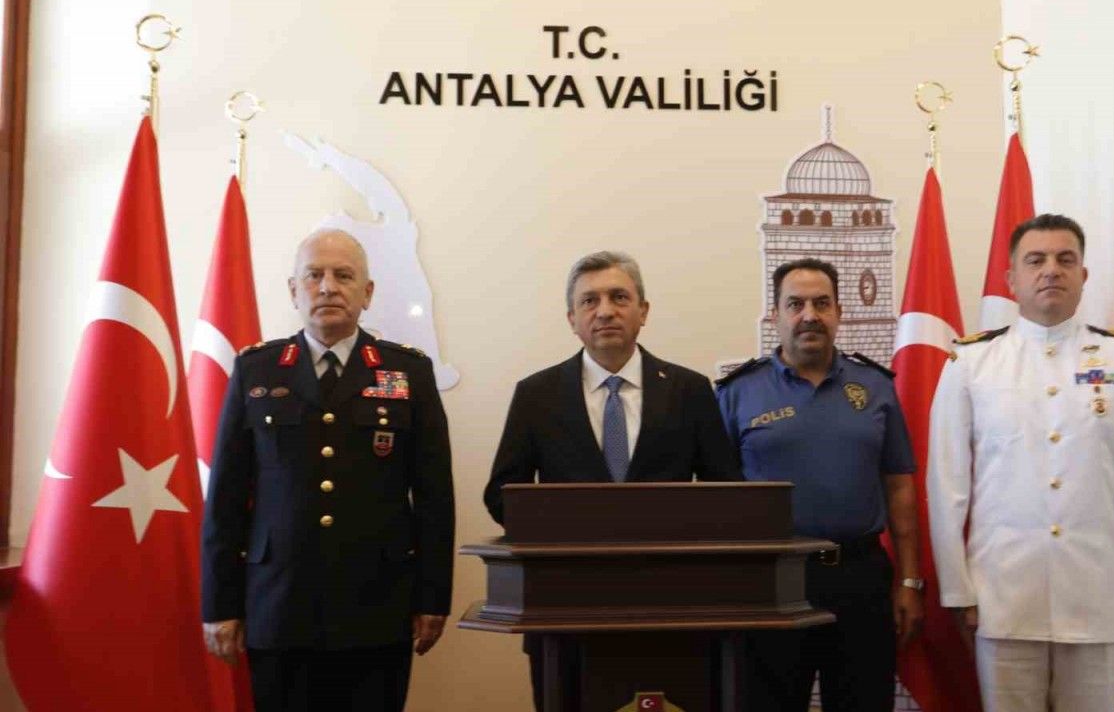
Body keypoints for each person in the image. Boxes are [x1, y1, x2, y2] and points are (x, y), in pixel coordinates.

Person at [927, 213, 1114, 712]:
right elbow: (946, 486)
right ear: (1011, 279)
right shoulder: (971, 364)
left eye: (1066, 259)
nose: (1051, 270)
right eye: (1035, 260)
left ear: (1084, 274)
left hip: (1097, 595)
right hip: (1002, 595)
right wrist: (958, 590)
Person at [201, 229, 455, 712]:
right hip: (277, 604)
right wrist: (220, 604)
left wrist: (432, 598)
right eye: (313, 275)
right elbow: (225, 500)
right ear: (293, 290)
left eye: (344, 275)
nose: (328, 287)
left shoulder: (408, 372)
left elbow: (434, 498)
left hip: (377, 605)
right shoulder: (257, 369)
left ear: (367, 292)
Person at [484, 250, 741, 709]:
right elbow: (503, 496)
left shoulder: (689, 390)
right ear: (572, 318)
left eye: (619, 297)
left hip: (673, 608)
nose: (604, 311)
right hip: (564, 606)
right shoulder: (536, 394)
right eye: (589, 301)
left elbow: (727, 493)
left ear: (643, 311)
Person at [716, 258, 924, 712]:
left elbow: (899, 487)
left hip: (860, 578)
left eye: (821, 303)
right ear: (775, 315)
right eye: (796, 304)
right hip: (772, 582)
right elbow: (718, 499)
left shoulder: (875, 386)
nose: (809, 315)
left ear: (838, 313)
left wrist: (909, 580)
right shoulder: (736, 392)